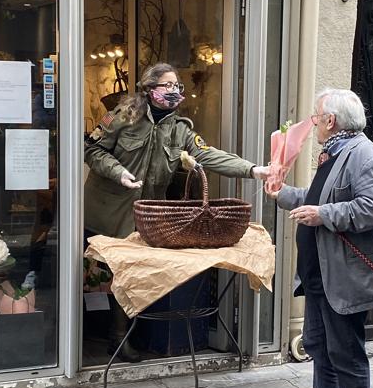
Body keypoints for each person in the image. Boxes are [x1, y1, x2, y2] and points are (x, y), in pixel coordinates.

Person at [84, 62, 268, 361]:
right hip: (106, 209)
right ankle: (92, 333)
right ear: (149, 88)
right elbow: (90, 149)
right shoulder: (120, 116)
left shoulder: (180, 129)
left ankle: (119, 337)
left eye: (177, 86)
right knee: (102, 272)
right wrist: (118, 172)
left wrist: (253, 170)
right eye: (167, 85)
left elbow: (209, 155)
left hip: (146, 212)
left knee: (128, 273)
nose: (174, 91)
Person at [268, 89, 373, 388]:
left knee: (346, 354)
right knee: (319, 347)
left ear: (331, 121)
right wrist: (281, 192)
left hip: (344, 277)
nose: (313, 124)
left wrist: (323, 214)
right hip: (319, 276)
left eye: (316, 118)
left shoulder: (367, 157)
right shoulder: (334, 154)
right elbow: (317, 200)